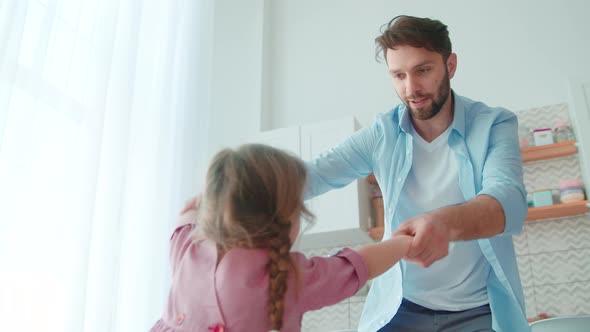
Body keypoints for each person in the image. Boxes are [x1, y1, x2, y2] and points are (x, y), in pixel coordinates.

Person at [304, 15, 529, 332]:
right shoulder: (382, 133)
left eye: (423, 70)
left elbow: (509, 202)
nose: (411, 88)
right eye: (398, 75)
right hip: (401, 310)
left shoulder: (493, 125)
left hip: (477, 313)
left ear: (449, 66)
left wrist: (443, 223)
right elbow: (313, 174)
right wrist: (232, 192)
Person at [150, 144, 412, 332]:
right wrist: (404, 242)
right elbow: (357, 265)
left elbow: (186, 214)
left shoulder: (188, 247)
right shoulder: (285, 277)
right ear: (285, 218)